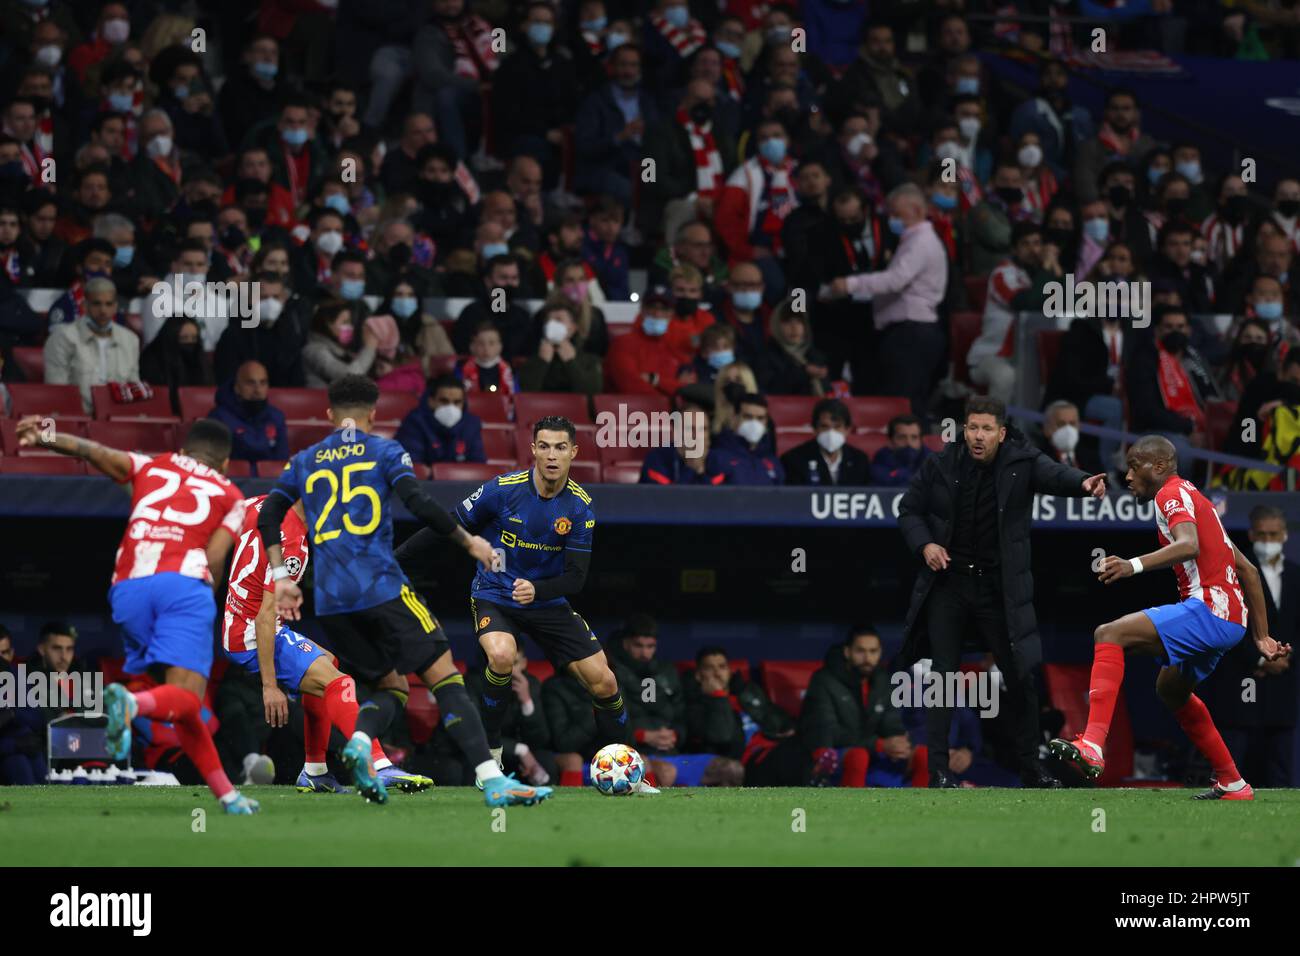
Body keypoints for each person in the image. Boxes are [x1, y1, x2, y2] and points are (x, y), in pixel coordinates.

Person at [258, 375, 544, 809]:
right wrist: (470, 543)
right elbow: (420, 503)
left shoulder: (303, 460)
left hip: (333, 600)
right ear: (374, 414)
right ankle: (492, 778)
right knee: (446, 677)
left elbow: (269, 515)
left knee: (389, 686)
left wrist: (282, 577)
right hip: (382, 585)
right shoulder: (385, 451)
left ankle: (358, 741)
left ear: (330, 415)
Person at [17, 416, 258, 814]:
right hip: (181, 587)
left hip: (127, 589)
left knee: (180, 700)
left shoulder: (153, 463)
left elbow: (94, 452)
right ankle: (131, 705)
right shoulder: (232, 495)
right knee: (186, 696)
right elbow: (214, 559)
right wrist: (199, 610)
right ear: (227, 462)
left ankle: (227, 794)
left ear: (182, 451)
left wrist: (45, 435)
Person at [396, 416, 645, 792]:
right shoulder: (502, 490)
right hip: (495, 594)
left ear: (574, 452)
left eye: (560, 447)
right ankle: (492, 754)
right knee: (501, 656)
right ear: (532, 449)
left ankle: (627, 768)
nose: (551, 455)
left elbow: (576, 577)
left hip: (545, 600)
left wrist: (538, 591)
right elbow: (448, 526)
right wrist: (394, 560)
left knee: (605, 681)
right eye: (543, 446)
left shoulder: (579, 508)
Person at [1054, 436, 1291, 800]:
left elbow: (1189, 545)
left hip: (1209, 610)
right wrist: (1261, 637)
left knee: (1109, 633)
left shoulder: (1170, 494)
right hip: (1230, 621)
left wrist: (1131, 565)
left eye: (1135, 466)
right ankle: (1233, 782)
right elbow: (1248, 571)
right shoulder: (1200, 501)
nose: (1128, 475)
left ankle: (1093, 745)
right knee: (1170, 689)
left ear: (1160, 466)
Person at [898, 397, 1108, 788]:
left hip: (999, 588)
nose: (978, 436)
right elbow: (908, 509)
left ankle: (1031, 766)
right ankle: (939, 772)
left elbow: (1053, 474)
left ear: (1002, 433)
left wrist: (1082, 483)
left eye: (986, 429)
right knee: (943, 677)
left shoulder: (1020, 461)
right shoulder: (942, 462)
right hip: (949, 583)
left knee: (1021, 676)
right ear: (964, 429)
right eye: (972, 428)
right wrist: (925, 545)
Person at [222, 494, 431, 796]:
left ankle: (315, 771)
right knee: (340, 683)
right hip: (251, 631)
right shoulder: (291, 542)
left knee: (327, 663)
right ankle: (379, 764)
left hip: (237, 620)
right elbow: (265, 617)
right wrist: (270, 687)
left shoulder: (263, 504)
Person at [821, 183, 947, 419]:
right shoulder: (914, 241)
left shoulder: (921, 242)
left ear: (918, 210)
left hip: (912, 333)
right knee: (907, 404)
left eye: (898, 214)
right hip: (911, 331)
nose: (892, 219)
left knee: (904, 407)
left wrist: (850, 284)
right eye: (890, 213)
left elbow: (895, 280)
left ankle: (914, 453)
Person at [1201, 505, 1298, 788]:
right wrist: (1259, 659)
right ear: (1252, 535)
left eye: (1274, 534)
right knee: (1235, 762)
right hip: (1241, 681)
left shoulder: (1295, 575)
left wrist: (1285, 657)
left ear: (1285, 535)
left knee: (1280, 767)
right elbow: (1227, 618)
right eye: (1263, 534)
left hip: (1282, 684)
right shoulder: (1233, 573)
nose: (1269, 541)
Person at [799, 628, 928, 788]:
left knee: (923, 755)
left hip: (875, 752)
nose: (867, 658)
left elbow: (892, 722)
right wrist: (878, 745)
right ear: (847, 652)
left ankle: (920, 811)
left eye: (873, 651)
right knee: (858, 756)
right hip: (835, 753)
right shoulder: (824, 680)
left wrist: (902, 745)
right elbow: (827, 732)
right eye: (860, 651)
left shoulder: (882, 679)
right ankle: (851, 811)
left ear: (880, 652)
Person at [684, 645, 804, 786]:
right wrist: (717, 697)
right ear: (699, 675)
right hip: (746, 761)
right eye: (709, 668)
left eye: (722, 667)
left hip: (772, 747)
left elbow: (778, 718)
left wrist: (787, 731)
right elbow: (721, 736)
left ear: (729, 671)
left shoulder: (746, 691)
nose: (717, 673)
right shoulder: (694, 704)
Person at [1124, 306, 1220, 472]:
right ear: (1158, 331)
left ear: (1189, 330)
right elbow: (1146, 410)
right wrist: (1188, 428)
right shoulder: (1144, 359)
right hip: (1157, 429)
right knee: (1180, 452)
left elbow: (1210, 395)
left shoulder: (1194, 358)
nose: (1175, 332)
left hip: (1198, 426)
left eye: (1180, 327)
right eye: (1169, 327)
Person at [42, 275, 138, 413]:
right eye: (97, 304)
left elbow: (133, 388)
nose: (103, 310)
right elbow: (58, 392)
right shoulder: (62, 338)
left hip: (118, 419)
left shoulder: (130, 340)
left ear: (116, 307)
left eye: (109, 304)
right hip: (76, 417)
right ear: (85, 305)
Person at [605, 285, 685, 397]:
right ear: (642, 309)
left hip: (669, 410)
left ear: (672, 314)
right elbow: (629, 384)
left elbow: (688, 387)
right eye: (652, 307)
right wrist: (669, 398)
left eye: (664, 309)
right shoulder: (623, 343)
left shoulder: (674, 347)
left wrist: (655, 380)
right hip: (627, 412)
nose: (657, 314)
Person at [394, 374, 487, 465]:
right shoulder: (414, 422)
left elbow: (478, 464)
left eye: (457, 402)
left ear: (463, 403)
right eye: (444, 401)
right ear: (431, 401)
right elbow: (412, 465)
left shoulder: (471, 424)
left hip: (463, 480)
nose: (451, 407)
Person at [207, 361, 288, 464]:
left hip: (271, 479)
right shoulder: (218, 418)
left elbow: (281, 462)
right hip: (232, 478)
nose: (257, 390)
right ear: (237, 387)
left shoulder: (276, 417)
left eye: (263, 383)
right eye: (250, 383)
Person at [518, 302, 603, 395]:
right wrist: (541, 362)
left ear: (573, 328)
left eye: (558, 320)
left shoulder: (590, 361)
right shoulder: (533, 359)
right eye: (548, 321)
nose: (551, 324)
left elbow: (591, 394)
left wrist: (571, 362)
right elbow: (525, 393)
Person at [781, 397, 870, 486]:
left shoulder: (860, 461)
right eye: (824, 426)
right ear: (815, 429)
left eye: (837, 427)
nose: (831, 432)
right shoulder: (794, 460)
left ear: (847, 430)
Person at [302, 299, 377, 387]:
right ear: (328, 323)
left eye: (351, 323)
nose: (350, 328)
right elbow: (350, 378)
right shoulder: (315, 350)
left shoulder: (339, 349)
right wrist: (369, 347)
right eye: (345, 322)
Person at [139, 315, 211, 405]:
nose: (190, 343)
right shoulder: (152, 359)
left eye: (194, 338)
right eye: (184, 338)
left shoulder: (199, 360)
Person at [714, 392, 784, 485]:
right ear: (734, 418)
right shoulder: (717, 457)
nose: (754, 423)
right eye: (748, 417)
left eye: (760, 418)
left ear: (766, 421)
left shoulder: (772, 461)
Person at [1035, 399, 1102, 475]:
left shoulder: (1091, 457)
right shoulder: (1038, 461)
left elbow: (1105, 484)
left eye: (1072, 424)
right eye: (1061, 424)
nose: (1068, 429)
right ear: (1046, 428)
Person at [456, 321, 517, 395]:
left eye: (492, 343)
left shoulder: (510, 369)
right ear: (472, 346)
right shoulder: (461, 368)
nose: (486, 348)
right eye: (481, 343)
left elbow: (515, 397)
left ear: (500, 346)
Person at [870, 414, 931, 486]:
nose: (909, 443)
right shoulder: (881, 461)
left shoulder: (932, 462)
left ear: (921, 441)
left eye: (914, 437)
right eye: (902, 437)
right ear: (890, 441)